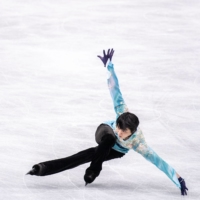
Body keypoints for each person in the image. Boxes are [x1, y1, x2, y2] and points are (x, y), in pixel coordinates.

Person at [27, 49, 188, 196]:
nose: (120, 132)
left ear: (132, 132)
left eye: (123, 131)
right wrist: (109, 66)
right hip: (104, 132)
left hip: (118, 150)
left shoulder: (139, 144)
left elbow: (159, 162)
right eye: (119, 127)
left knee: (84, 156)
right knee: (111, 138)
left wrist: (177, 178)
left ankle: (42, 168)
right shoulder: (121, 115)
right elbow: (115, 89)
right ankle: (93, 171)